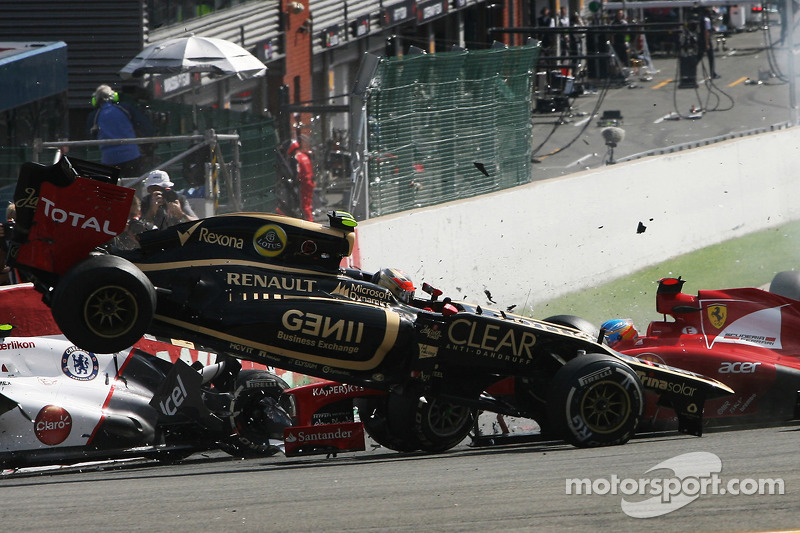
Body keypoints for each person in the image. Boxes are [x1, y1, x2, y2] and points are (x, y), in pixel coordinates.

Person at [86, 84, 154, 178]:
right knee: (134, 187)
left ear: (95, 100)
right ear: (113, 96)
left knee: (115, 190)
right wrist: (148, 145)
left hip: (109, 160)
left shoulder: (94, 116)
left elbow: (91, 136)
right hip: (131, 155)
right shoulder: (125, 108)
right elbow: (144, 125)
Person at [287, 140, 315, 222]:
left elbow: (297, 172)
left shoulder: (297, 158)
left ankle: (309, 222)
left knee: (305, 205)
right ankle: (310, 220)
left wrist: (295, 181)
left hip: (304, 183)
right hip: (310, 181)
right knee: (308, 204)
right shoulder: (304, 155)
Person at [698, 8, 720, 79]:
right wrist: (707, 43)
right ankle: (712, 73)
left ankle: (690, 69)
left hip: (700, 40)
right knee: (711, 57)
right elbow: (706, 32)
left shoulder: (701, 19)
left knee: (699, 56)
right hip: (706, 40)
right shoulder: (706, 20)